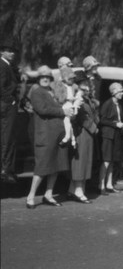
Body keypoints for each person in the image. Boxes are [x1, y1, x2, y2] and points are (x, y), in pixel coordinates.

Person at [26, 66, 74, 209]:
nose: (45, 79)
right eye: (42, 77)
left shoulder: (51, 91)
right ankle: (31, 196)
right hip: (45, 135)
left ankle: (48, 194)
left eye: (48, 77)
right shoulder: (36, 92)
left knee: (56, 166)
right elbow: (42, 110)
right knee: (42, 167)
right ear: (38, 79)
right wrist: (62, 111)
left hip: (57, 135)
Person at [67, 71, 99, 203]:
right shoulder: (77, 97)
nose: (86, 85)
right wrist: (93, 127)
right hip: (81, 132)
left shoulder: (86, 97)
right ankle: (79, 191)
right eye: (84, 82)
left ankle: (72, 189)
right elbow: (81, 116)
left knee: (84, 160)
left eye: (86, 82)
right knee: (80, 161)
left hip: (87, 133)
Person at [98, 82, 123, 195]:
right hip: (108, 135)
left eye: (122, 91)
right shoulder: (107, 104)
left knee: (111, 161)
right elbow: (102, 120)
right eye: (120, 91)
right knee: (106, 161)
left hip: (116, 135)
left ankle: (109, 185)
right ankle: (100, 186)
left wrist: (122, 124)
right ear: (114, 92)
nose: (122, 93)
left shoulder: (119, 104)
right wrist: (116, 124)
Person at [0, 38, 20, 183]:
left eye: (13, 51)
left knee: (9, 135)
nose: (12, 53)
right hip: (7, 106)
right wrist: (10, 100)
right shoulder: (2, 65)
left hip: (8, 105)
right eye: (9, 51)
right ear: (2, 52)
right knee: (7, 136)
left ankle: (7, 168)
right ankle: (5, 169)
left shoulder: (9, 66)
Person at [53, 67, 83, 147]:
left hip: (72, 105)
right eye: (70, 79)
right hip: (64, 105)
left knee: (68, 120)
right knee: (67, 121)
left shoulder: (74, 87)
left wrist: (76, 101)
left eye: (73, 79)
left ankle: (68, 137)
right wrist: (66, 97)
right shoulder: (60, 86)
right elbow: (59, 98)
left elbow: (79, 96)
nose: (71, 80)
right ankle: (71, 138)